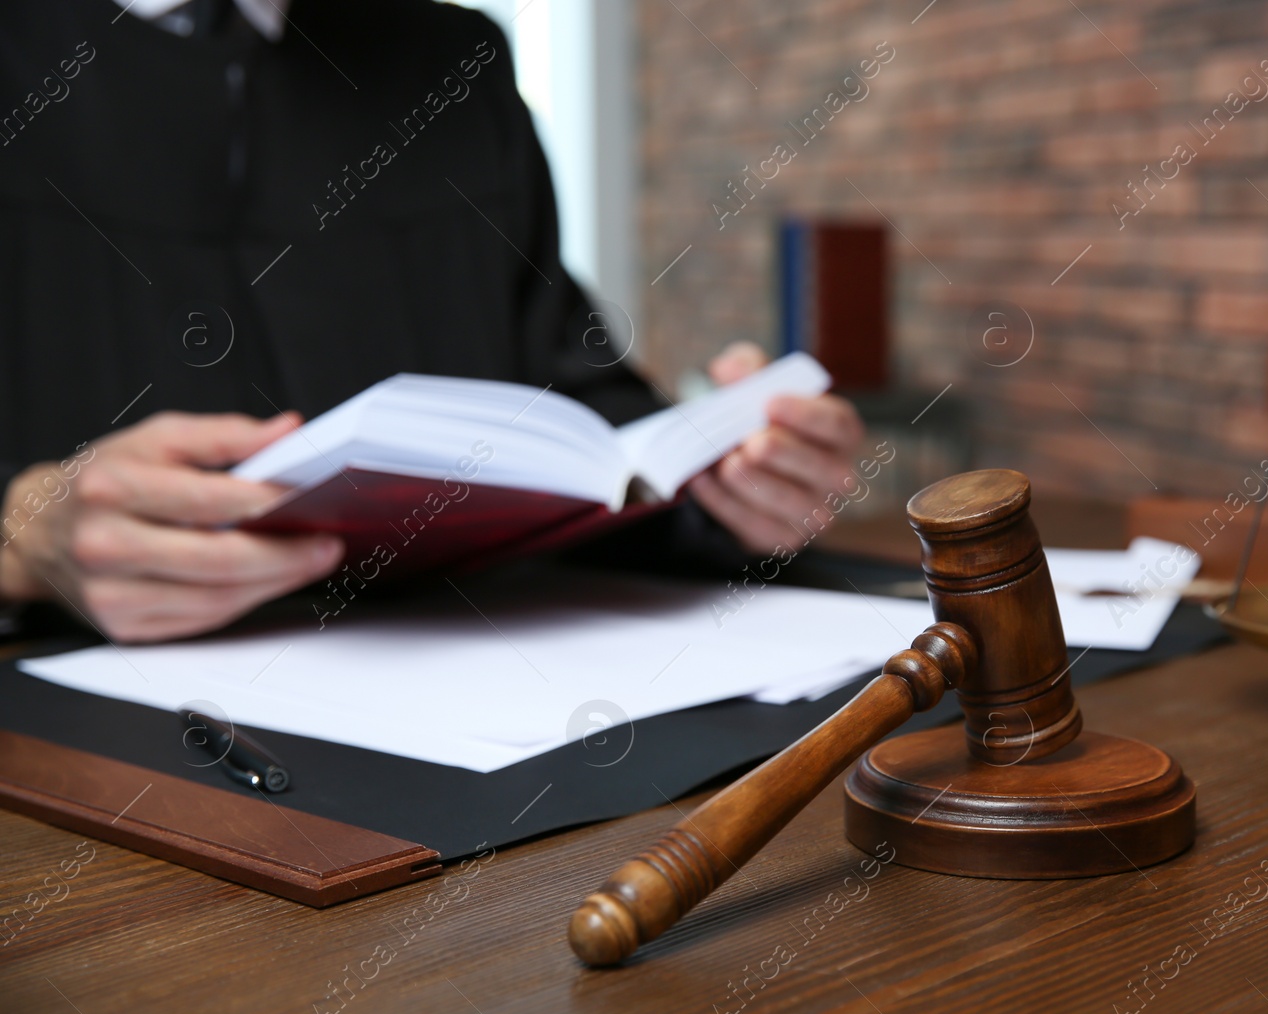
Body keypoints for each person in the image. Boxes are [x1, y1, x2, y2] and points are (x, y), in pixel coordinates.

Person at [0, 0, 864, 642]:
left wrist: (729, 472)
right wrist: (22, 535)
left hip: (483, 710)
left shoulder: (450, 67)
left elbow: (581, 403)